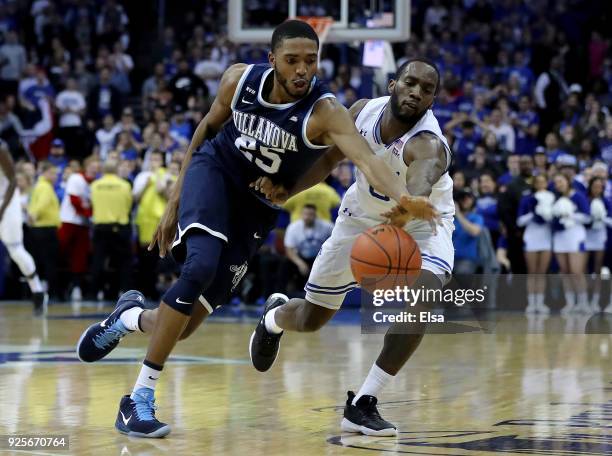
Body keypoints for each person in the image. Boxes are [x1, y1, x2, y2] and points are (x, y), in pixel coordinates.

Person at [75, 21, 438, 438]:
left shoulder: (326, 111)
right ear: (272, 61)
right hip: (215, 174)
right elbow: (207, 128)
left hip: (257, 207)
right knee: (199, 269)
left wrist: (404, 198)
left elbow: (366, 160)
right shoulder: (239, 80)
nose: (303, 69)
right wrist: (176, 196)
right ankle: (138, 399)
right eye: (292, 61)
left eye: (311, 61)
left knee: (184, 325)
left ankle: (129, 317)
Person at [249, 58, 453, 436]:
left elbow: (422, 179)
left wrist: (411, 205)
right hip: (359, 217)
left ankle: (363, 403)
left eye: (426, 90)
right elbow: (328, 158)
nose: (416, 93)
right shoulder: (360, 112)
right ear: (393, 84)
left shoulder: (429, 144)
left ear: (433, 101)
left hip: (423, 221)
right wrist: (287, 190)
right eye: (410, 83)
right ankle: (274, 317)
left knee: (424, 300)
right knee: (311, 320)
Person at [0, 139, 46, 314]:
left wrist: (2, 210)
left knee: (16, 250)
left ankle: (37, 291)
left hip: (7, 202)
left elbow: (12, 181)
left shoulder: (1, 148)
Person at [551, 173, 590, 314]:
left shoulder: (578, 196)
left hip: (575, 236)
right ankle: (570, 303)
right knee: (565, 271)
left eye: (561, 181)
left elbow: (587, 216)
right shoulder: (554, 198)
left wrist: (570, 215)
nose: (558, 184)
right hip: (560, 237)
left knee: (576, 271)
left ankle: (583, 302)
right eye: (556, 182)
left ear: (568, 181)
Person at [517, 174, 553, 313]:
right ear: (535, 184)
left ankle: (540, 303)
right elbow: (519, 221)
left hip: (546, 238)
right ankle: (531, 303)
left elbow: (554, 218)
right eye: (538, 182)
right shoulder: (527, 199)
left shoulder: (551, 198)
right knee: (532, 272)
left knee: (542, 273)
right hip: (531, 237)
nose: (541, 185)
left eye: (543, 182)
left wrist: (546, 215)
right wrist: (533, 213)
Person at [279, 203, 333, 294]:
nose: (307, 217)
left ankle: (327, 295)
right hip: (300, 258)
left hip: (319, 258)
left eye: (310, 215)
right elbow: (289, 250)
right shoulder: (293, 227)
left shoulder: (328, 227)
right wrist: (300, 263)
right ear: (301, 215)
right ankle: (280, 295)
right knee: (284, 266)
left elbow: (335, 244)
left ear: (315, 215)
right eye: (305, 214)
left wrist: (324, 261)